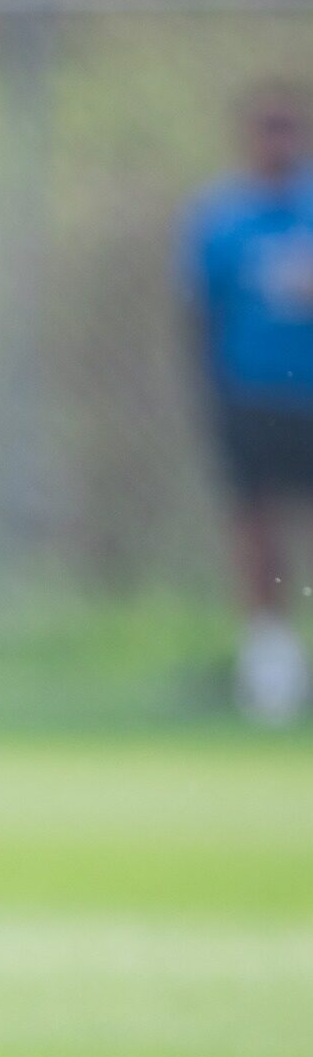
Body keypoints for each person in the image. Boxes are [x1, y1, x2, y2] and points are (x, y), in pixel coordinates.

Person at [182, 82, 313, 722]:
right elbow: (199, 311)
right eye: (268, 126)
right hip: (251, 395)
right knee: (257, 530)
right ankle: (271, 669)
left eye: (290, 125)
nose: (280, 139)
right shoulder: (222, 217)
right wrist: (209, 392)